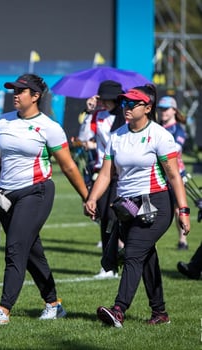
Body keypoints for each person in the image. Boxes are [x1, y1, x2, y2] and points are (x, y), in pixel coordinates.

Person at [0, 73, 89, 325]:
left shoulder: (50, 127)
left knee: (15, 249)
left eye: (21, 91)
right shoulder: (3, 122)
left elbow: (68, 167)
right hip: (5, 196)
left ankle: (3, 310)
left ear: (36, 96)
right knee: (32, 251)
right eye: (14, 90)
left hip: (36, 192)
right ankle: (53, 304)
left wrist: (88, 197)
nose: (15, 94)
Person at [84, 84, 191, 327]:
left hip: (156, 204)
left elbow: (174, 176)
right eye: (124, 103)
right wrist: (92, 197)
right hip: (126, 206)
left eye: (132, 104)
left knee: (132, 252)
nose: (127, 108)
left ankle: (118, 310)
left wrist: (182, 211)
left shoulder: (161, 136)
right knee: (145, 256)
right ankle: (160, 313)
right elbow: (106, 174)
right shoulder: (117, 135)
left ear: (148, 107)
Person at [79, 80, 126, 279]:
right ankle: (109, 266)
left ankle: (120, 258)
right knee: (105, 217)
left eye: (108, 99)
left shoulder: (126, 117)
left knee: (118, 217)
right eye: (102, 98)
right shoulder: (97, 116)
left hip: (123, 174)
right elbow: (83, 137)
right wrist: (89, 112)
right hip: (102, 173)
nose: (104, 102)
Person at [157, 96, 189, 250]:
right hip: (160, 175)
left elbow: (175, 150)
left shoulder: (178, 130)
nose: (163, 111)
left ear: (174, 111)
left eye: (166, 109)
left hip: (176, 174)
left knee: (178, 209)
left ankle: (183, 240)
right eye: (161, 108)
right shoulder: (157, 128)